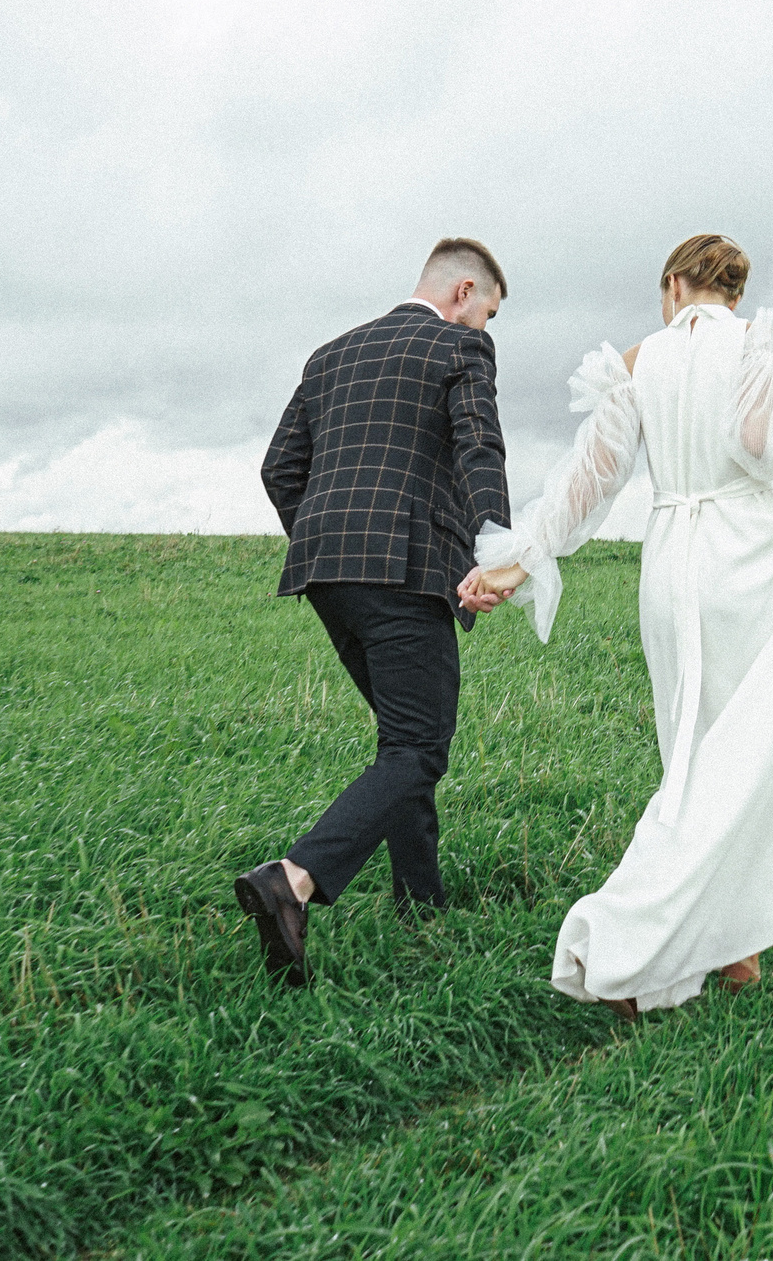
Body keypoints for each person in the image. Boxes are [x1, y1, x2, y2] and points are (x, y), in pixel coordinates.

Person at [459, 233, 773, 1018]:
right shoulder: (757, 349)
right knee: (739, 761)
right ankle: (624, 942)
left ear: (673, 285)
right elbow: (771, 444)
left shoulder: (638, 362)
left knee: (692, 759)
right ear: (734, 292)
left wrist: (520, 559)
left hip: (668, 568)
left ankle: (735, 956)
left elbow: (587, 483)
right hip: (744, 566)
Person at [237, 238, 514, 987]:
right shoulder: (461, 349)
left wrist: (329, 539)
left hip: (327, 574)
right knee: (420, 746)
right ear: (464, 293)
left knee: (403, 739)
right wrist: (498, 551)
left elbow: (278, 468)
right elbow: (479, 447)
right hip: (406, 570)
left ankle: (421, 902)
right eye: (486, 313)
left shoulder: (330, 354)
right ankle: (292, 881)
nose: (484, 329)